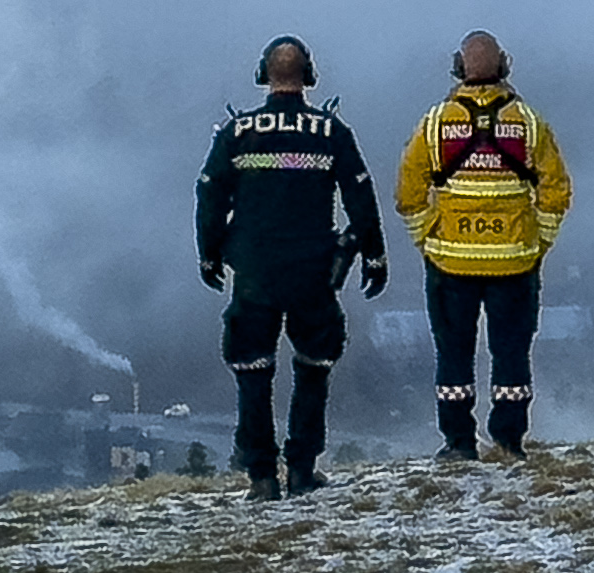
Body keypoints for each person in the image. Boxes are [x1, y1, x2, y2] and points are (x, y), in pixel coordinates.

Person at [194, 35, 386, 500]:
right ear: (310, 74)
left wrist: (208, 252)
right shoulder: (331, 131)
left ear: (264, 73)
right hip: (313, 271)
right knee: (314, 368)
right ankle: (302, 468)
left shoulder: (236, 133)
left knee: (253, 370)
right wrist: (374, 254)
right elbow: (360, 194)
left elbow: (209, 192)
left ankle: (261, 476)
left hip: (255, 271)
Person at [394, 30, 573, 460]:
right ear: (505, 67)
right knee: (512, 354)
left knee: (453, 356)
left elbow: (408, 192)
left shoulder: (436, 123)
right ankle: (509, 440)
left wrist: (427, 237)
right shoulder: (528, 122)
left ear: (458, 68)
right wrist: (539, 240)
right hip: (515, 263)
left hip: (450, 263)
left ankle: (458, 442)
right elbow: (556, 190)